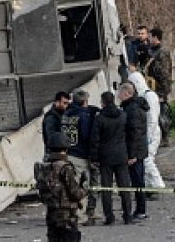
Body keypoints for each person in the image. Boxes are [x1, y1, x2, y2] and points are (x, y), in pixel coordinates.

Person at [35, 132, 94, 242]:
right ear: (65, 148)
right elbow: (75, 193)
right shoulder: (65, 167)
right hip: (68, 217)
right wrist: (85, 185)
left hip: (52, 216)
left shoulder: (42, 168)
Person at [90, 91, 133, 225]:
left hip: (105, 156)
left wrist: (94, 158)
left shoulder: (99, 118)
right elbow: (129, 136)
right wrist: (131, 154)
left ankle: (109, 217)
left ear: (103, 102)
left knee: (106, 189)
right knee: (124, 187)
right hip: (121, 155)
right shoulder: (123, 115)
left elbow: (95, 140)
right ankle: (127, 215)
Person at [62, 89, 100, 224]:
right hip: (81, 155)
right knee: (82, 186)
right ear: (85, 101)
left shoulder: (66, 114)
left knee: (71, 184)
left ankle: (79, 213)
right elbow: (86, 136)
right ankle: (79, 215)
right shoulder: (84, 117)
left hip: (68, 152)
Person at [127, 72, 166, 198]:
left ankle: (157, 184)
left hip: (151, 133)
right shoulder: (143, 96)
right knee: (144, 160)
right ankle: (150, 186)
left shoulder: (149, 96)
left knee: (147, 160)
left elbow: (153, 118)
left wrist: (148, 136)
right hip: (146, 132)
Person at [119, 82, 149, 220]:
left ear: (126, 93)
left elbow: (134, 134)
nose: (118, 96)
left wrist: (132, 155)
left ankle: (141, 210)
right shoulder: (135, 107)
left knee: (137, 181)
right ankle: (140, 209)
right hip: (139, 150)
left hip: (135, 152)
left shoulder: (132, 110)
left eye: (120, 93)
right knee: (138, 180)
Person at [145, 28, 173, 103]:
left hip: (160, 87)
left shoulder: (163, 51)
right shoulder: (150, 50)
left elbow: (165, 72)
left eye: (150, 37)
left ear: (155, 38)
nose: (148, 39)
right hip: (150, 84)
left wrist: (165, 91)